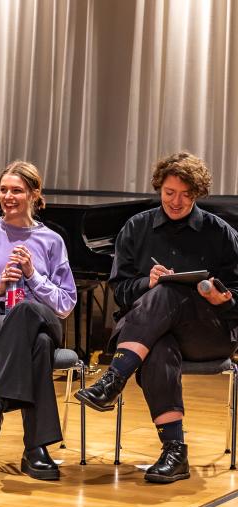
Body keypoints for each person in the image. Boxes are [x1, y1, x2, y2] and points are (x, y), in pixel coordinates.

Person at [76, 151, 238, 483]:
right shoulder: (136, 228)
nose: (176, 201)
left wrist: (221, 299)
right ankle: (174, 451)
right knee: (158, 343)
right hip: (148, 334)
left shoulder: (220, 232)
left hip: (207, 333)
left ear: (197, 194)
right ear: (159, 189)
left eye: (185, 194)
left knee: (168, 292)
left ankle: (114, 378)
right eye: (169, 193)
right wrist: (145, 282)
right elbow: (118, 292)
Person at [0, 161, 77, 480]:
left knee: (28, 314)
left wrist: (34, 276)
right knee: (41, 345)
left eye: (17, 190)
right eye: (3, 190)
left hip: (42, 315)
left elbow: (65, 304)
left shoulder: (51, 240)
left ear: (34, 194)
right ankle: (36, 450)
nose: (8, 196)